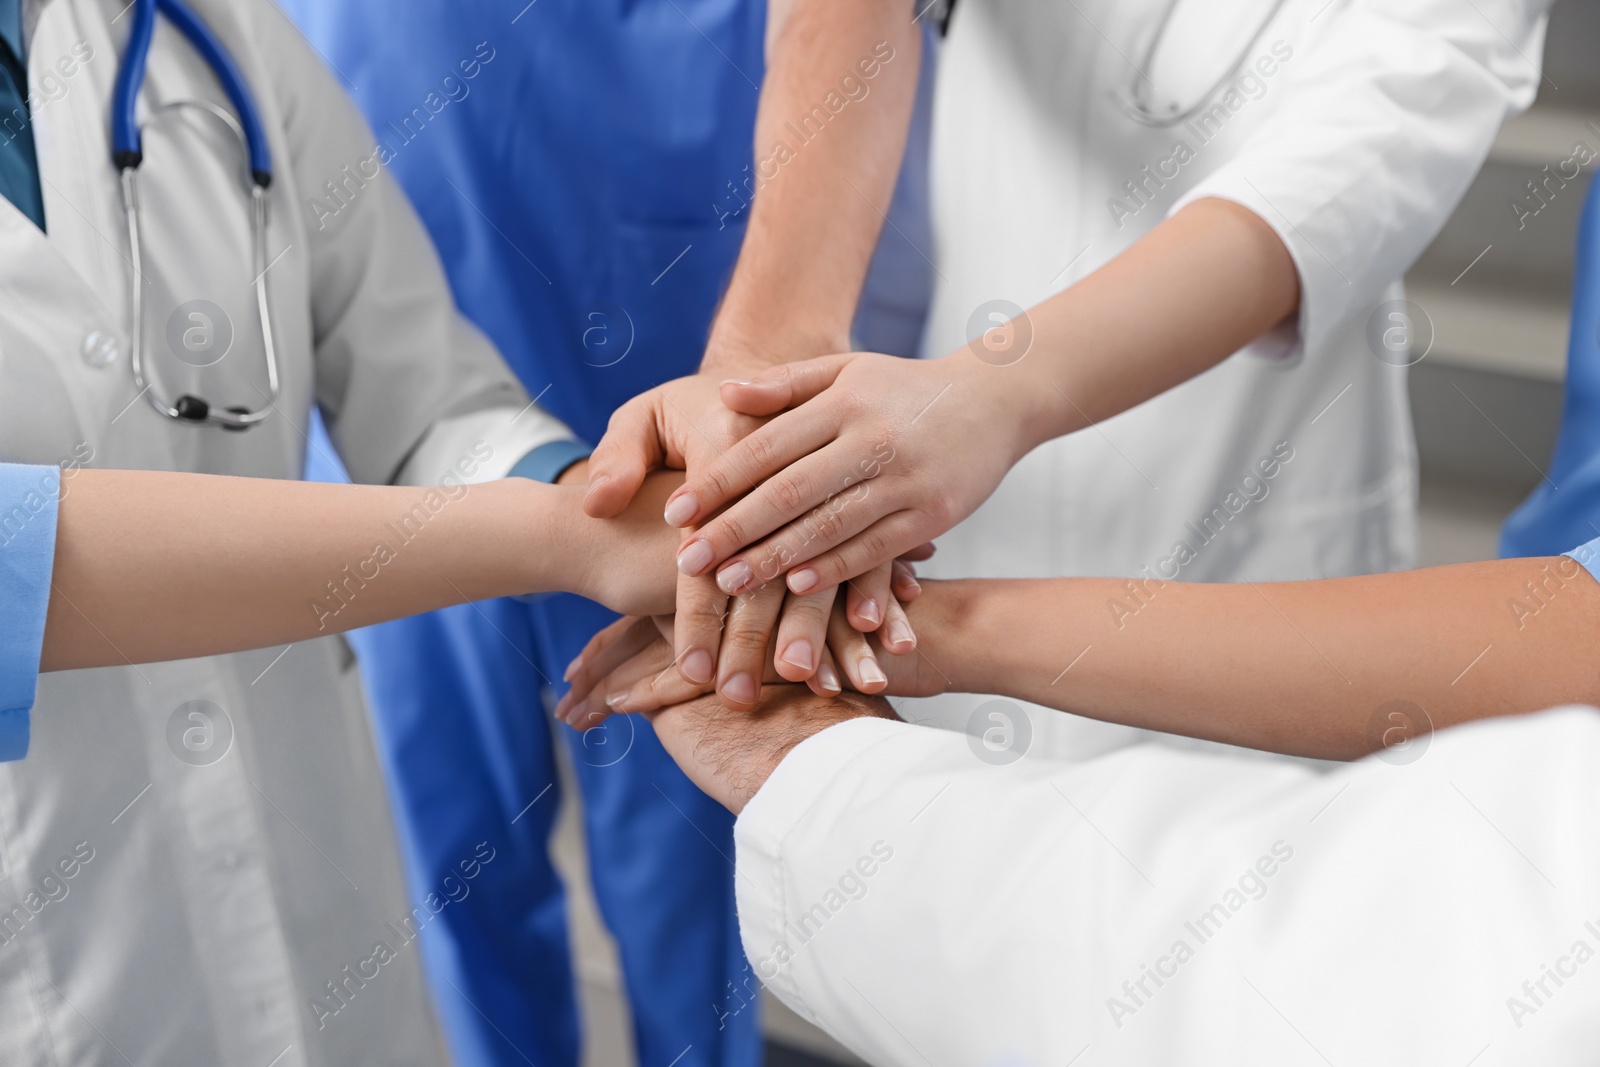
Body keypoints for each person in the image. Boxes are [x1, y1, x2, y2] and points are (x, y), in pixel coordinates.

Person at [588, 0, 1555, 760]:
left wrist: (992, 397)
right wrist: (767, 369)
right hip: (931, 498)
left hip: (1243, 523)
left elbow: (1353, 164)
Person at [279, 1, 931, 1062]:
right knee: (450, 851)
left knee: (687, 847)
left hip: (668, 313)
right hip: (371, 333)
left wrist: (764, 356)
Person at [0, 0, 627, 1061]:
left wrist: (600, 494)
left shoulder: (215, 31)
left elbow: (427, 395)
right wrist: (565, 538)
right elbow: (26, 567)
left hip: (336, 947)